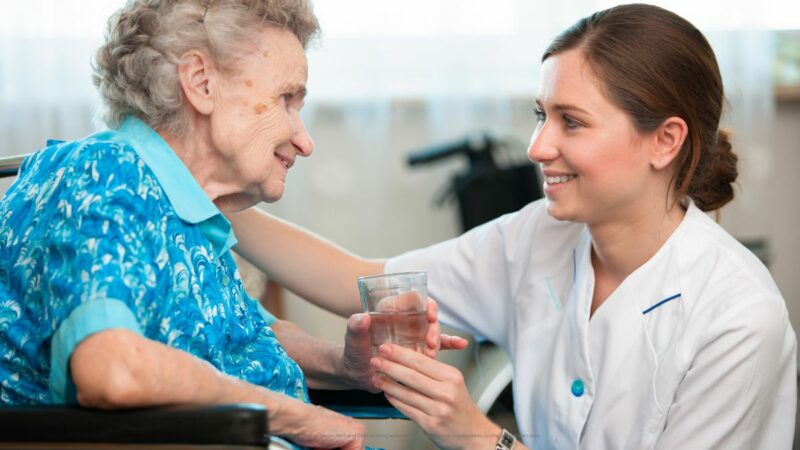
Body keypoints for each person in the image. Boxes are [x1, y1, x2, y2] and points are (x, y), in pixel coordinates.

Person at [229, 3, 797, 449]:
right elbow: (360, 277)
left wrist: (475, 435)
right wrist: (209, 197)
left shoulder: (739, 319)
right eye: (540, 116)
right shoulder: (539, 237)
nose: (537, 147)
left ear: (665, 141)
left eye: (571, 123)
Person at [0, 1, 464, 449]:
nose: (305, 141)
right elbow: (115, 371)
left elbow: (246, 336)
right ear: (201, 83)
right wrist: (302, 418)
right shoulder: (102, 172)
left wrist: (347, 366)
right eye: (286, 99)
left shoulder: (183, 211)